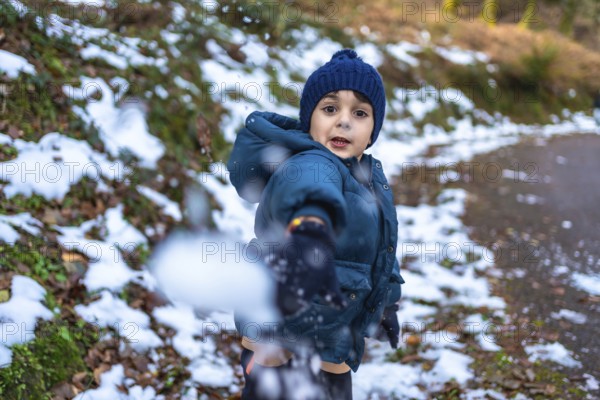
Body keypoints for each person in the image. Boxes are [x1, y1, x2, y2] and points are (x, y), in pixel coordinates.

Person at [227, 49, 404, 399]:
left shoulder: (368, 180)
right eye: (329, 109)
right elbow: (312, 195)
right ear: (309, 120)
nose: (343, 121)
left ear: (372, 131)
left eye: (360, 113)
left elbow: (378, 249)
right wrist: (311, 229)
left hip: (333, 333)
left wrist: (386, 302)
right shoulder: (311, 162)